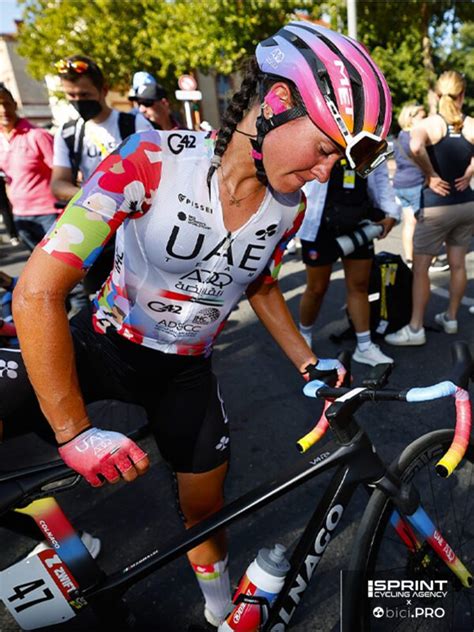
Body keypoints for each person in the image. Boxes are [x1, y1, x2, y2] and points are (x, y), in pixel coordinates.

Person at [6, 22, 392, 627]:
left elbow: (259, 282)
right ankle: (46, 540)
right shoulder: (151, 158)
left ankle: (218, 611)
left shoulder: (286, 209)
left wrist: (305, 361)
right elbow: (36, 292)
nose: (325, 173)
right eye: (323, 150)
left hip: (185, 370)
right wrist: (73, 430)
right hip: (103, 342)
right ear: (275, 104)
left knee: (204, 507)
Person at [51, 56, 154, 303]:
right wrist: (99, 195)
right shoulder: (67, 132)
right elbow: (58, 184)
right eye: (71, 96)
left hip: (133, 228)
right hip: (93, 228)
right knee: (98, 299)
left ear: (103, 90)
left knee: (139, 297)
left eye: (84, 95)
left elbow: (153, 173)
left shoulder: (133, 122)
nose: (78, 102)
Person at [386, 71, 474, 346]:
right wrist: (470, 172)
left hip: (436, 209)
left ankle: (415, 329)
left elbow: (414, 145)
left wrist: (430, 175)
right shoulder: (470, 124)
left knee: (421, 269)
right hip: (466, 205)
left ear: (437, 95)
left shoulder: (429, 124)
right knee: (458, 265)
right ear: (462, 95)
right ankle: (450, 318)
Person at [298, 160, 400, 366]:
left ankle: (364, 346)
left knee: (359, 286)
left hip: (360, 221)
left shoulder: (371, 138)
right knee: (317, 288)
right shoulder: (321, 131)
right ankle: (303, 337)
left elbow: (380, 178)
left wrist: (391, 213)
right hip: (319, 224)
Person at [0, 84, 60, 251]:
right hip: (21, 217)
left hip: (49, 214)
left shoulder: (38, 136)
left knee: (64, 271)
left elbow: (62, 174)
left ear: (15, 104)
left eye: (6, 103)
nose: (3, 109)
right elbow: (8, 180)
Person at [392, 103, 426, 265]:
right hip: (415, 184)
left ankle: (410, 258)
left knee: (409, 223)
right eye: (422, 117)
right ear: (411, 118)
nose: (425, 120)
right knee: (424, 225)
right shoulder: (414, 137)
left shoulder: (399, 136)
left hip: (400, 184)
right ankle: (427, 260)